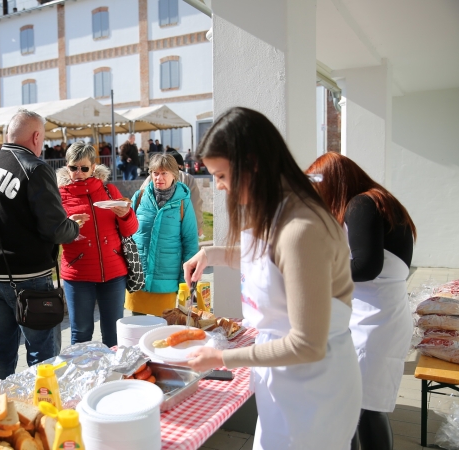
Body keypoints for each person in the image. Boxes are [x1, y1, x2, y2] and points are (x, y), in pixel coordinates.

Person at [182, 107, 360, 449]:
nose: (218, 187)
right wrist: (214, 254)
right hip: (285, 386)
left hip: (314, 394)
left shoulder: (301, 229)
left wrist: (221, 357)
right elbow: (270, 263)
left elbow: (307, 344)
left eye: (221, 175)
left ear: (252, 163)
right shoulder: (281, 209)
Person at [306, 153, 416, 450]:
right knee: (359, 409)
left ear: (335, 182)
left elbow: (366, 266)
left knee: (364, 410)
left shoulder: (362, 204)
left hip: (377, 323)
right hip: (377, 317)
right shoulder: (374, 201)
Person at [0, 109, 81, 387]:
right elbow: (55, 228)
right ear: (36, 136)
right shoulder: (35, 167)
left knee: (2, 355)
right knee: (43, 359)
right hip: (29, 278)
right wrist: (74, 227)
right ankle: (42, 417)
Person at [56, 143, 138, 347]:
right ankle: (81, 377)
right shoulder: (60, 195)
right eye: (74, 168)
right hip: (78, 273)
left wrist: (125, 214)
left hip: (113, 272)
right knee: (81, 333)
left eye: (84, 168)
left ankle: (113, 376)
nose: (79, 173)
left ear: (93, 167)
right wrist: (69, 226)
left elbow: (131, 230)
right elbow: (53, 234)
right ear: (67, 167)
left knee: (113, 334)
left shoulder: (109, 190)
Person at [125, 153, 198, 316]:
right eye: (155, 173)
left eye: (164, 173)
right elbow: (126, 232)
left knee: (162, 334)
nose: (159, 178)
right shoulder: (139, 197)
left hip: (167, 281)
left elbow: (190, 243)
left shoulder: (183, 203)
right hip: (138, 279)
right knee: (136, 332)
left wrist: (185, 281)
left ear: (174, 175)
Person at [139, 150, 204, 237]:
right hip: (181, 229)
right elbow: (195, 204)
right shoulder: (187, 178)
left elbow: (140, 198)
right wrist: (198, 226)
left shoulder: (153, 177)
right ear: (180, 165)